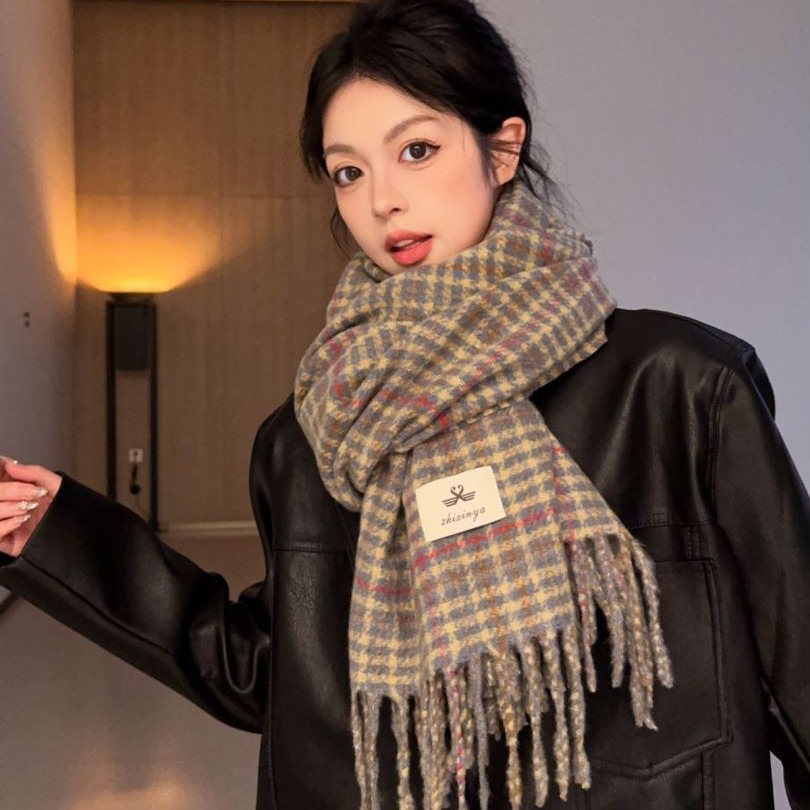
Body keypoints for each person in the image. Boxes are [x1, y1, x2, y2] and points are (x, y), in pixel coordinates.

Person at [2, 1, 809, 808]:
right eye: (348, 171)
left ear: (502, 149)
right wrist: (57, 533)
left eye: (417, 150)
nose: (381, 200)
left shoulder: (679, 388)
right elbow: (268, 673)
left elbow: (799, 662)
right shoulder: (312, 434)